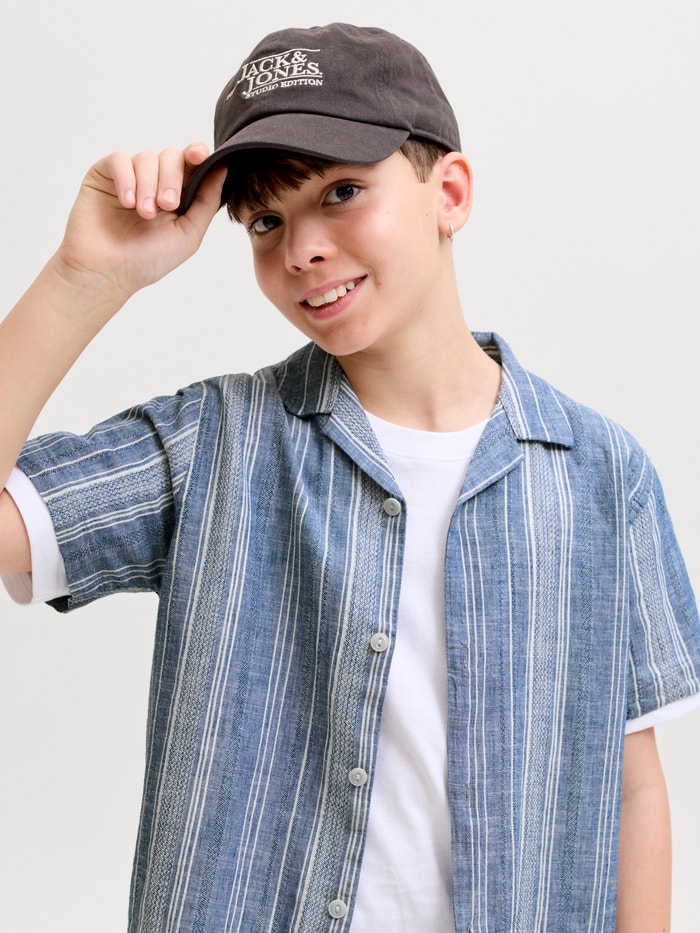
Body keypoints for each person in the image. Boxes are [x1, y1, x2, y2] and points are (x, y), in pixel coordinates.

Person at [0, 21, 698, 932]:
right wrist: (81, 278)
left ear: (450, 192)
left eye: (341, 192)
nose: (301, 249)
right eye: (265, 221)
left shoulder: (601, 474)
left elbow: (631, 787)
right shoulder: (213, 443)